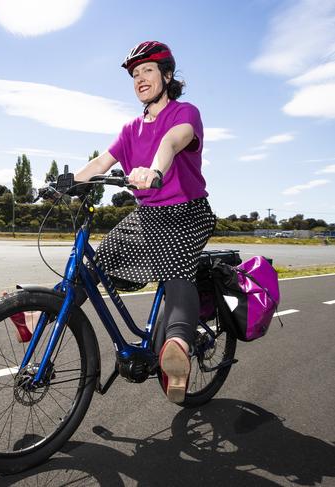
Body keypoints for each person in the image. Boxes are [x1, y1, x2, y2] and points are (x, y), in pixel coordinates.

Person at [74, 41, 217, 403]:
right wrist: (65, 184)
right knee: (92, 269)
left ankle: (179, 347)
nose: (140, 78)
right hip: (147, 217)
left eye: (148, 70)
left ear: (167, 75)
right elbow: (98, 164)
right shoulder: (129, 129)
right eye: (135, 74)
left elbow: (172, 142)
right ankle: (40, 315)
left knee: (175, 271)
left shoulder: (185, 113)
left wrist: (153, 170)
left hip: (187, 213)